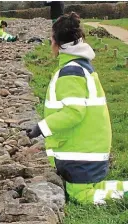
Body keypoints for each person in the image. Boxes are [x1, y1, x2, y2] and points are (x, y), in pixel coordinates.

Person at [26, 12, 128, 205]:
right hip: (88, 147)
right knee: (87, 189)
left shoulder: (70, 72)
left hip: (82, 152)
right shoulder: (80, 66)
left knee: (82, 195)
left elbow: (74, 112)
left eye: (51, 40)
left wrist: (42, 127)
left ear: (57, 43)